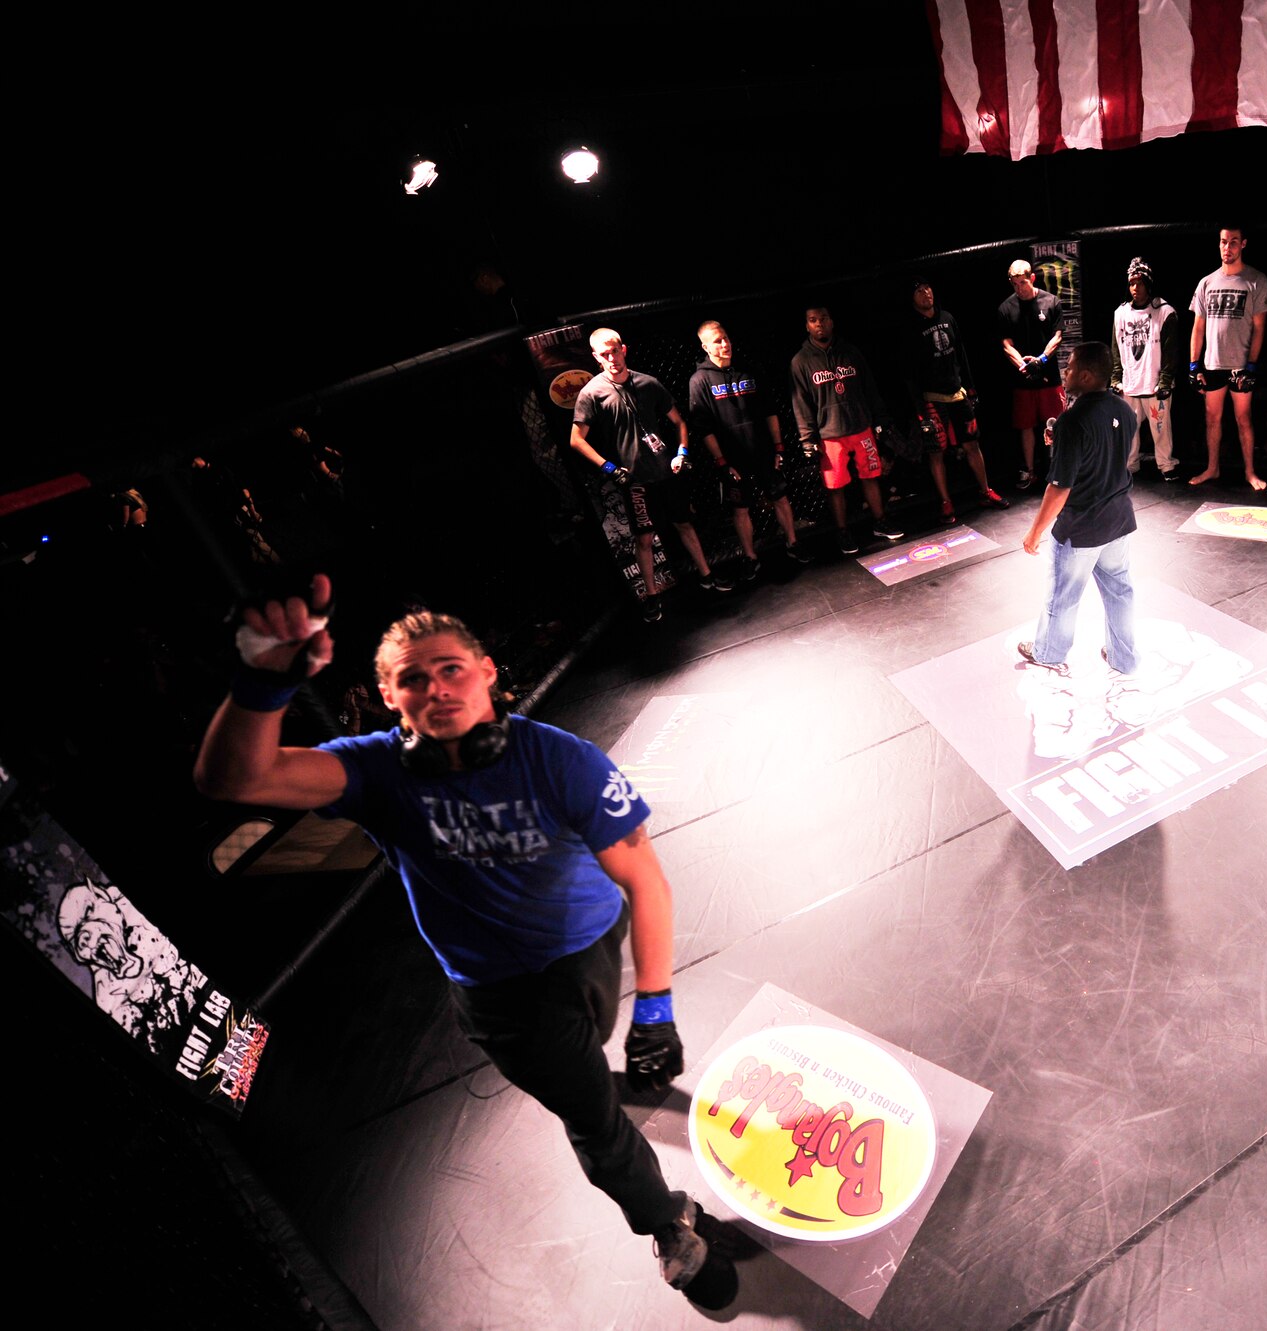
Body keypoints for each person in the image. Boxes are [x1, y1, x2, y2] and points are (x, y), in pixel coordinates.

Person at [190, 576, 746, 1311]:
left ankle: (593, 1058)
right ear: (390, 698)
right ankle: (669, 1222)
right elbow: (235, 777)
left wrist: (655, 1007)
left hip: (592, 941)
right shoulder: (376, 771)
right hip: (506, 997)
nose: (437, 688)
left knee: (602, 1046)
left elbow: (644, 876)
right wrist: (262, 681)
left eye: (451, 667)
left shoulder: (559, 758)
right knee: (595, 1121)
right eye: (412, 679)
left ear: (487, 672)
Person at [569, 327, 732, 621]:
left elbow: (680, 422)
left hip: (666, 473)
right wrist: (608, 467)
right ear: (596, 357)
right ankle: (652, 596)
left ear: (624, 349)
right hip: (635, 481)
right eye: (604, 354)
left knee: (685, 524)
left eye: (615, 351)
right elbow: (576, 440)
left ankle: (707, 575)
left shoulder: (648, 383)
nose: (611, 358)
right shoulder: (591, 393)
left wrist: (681, 453)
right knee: (644, 538)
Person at [1017, 342, 1140, 676]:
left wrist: (1034, 532)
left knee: (1062, 597)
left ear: (1085, 376)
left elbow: (1060, 487)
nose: (1065, 372)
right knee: (1120, 593)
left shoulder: (1073, 422)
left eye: (1069, 367)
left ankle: (1048, 653)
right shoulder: (1125, 410)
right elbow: (1104, 453)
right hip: (1118, 521)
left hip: (1081, 529)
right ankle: (1124, 657)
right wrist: (1064, 441)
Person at [687, 320, 807, 579]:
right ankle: (750, 558)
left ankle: (793, 544)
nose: (724, 344)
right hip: (733, 459)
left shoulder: (749, 370)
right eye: (717, 341)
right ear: (705, 346)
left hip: (763, 450)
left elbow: (770, 411)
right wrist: (722, 462)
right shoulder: (700, 380)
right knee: (740, 509)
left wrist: (779, 448)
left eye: (726, 338)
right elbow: (703, 428)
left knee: (781, 497)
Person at [789, 304, 905, 556]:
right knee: (836, 486)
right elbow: (801, 404)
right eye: (812, 320)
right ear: (807, 326)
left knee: (871, 476)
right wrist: (807, 439)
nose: (819, 324)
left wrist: (880, 419)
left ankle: (880, 521)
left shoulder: (851, 352)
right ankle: (842, 531)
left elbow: (869, 389)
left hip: (860, 427)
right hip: (829, 435)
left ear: (831, 322)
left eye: (823, 318)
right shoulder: (800, 361)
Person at [906, 278, 1010, 523]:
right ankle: (945, 502)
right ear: (913, 299)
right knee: (936, 452)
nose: (926, 293)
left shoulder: (948, 317)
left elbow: (961, 353)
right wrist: (920, 411)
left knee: (972, 444)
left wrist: (970, 387)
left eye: (928, 288)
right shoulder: (911, 328)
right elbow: (909, 373)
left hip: (958, 393)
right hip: (933, 399)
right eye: (919, 291)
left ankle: (985, 492)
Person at [1187, 225, 1267, 490]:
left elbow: (1260, 327)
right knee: (1211, 418)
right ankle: (1213, 468)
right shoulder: (1206, 282)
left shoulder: (1256, 280)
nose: (1228, 247)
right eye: (1224, 242)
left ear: (1243, 244)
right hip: (1212, 363)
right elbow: (1198, 327)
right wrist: (1193, 364)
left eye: (1233, 242)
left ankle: (1250, 471)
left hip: (1240, 364)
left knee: (1243, 418)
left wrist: (1251, 365)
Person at [997, 260, 1066, 491]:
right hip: (1022, 380)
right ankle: (1030, 471)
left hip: (1049, 378)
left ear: (1032, 279)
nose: (1019, 288)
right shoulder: (1006, 308)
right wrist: (1022, 365)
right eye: (1015, 284)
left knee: (1054, 425)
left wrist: (1041, 360)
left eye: (1023, 283)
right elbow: (1006, 344)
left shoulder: (1051, 301)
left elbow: (1057, 337)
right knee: (1026, 426)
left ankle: (1059, 469)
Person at [1111, 257, 1179, 480]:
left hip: (1153, 381)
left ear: (1148, 284)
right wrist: (1115, 378)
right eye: (1132, 283)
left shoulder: (1164, 311)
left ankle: (1166, 465)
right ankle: (1130, 465)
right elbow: (1115, 348)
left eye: (1140, 283)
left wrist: (1165, 380)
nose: (1135, 288)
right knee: (1129, 430)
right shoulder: (1120, 313)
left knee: (1160, 428)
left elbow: (1171, 350)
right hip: (1130, 383)